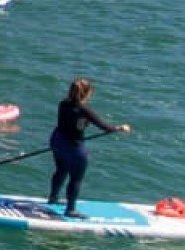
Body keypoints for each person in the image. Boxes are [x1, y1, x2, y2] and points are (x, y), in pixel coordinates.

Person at [48, 78, 130, 218]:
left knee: (61, 170)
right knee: (76, 178)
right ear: (87, 93)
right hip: (73, 147)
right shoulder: (84, 109)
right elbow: (104, 127)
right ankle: (71, 210)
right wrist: (120, 128)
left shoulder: (63, 104)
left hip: (57, 141)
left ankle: (53, 198)